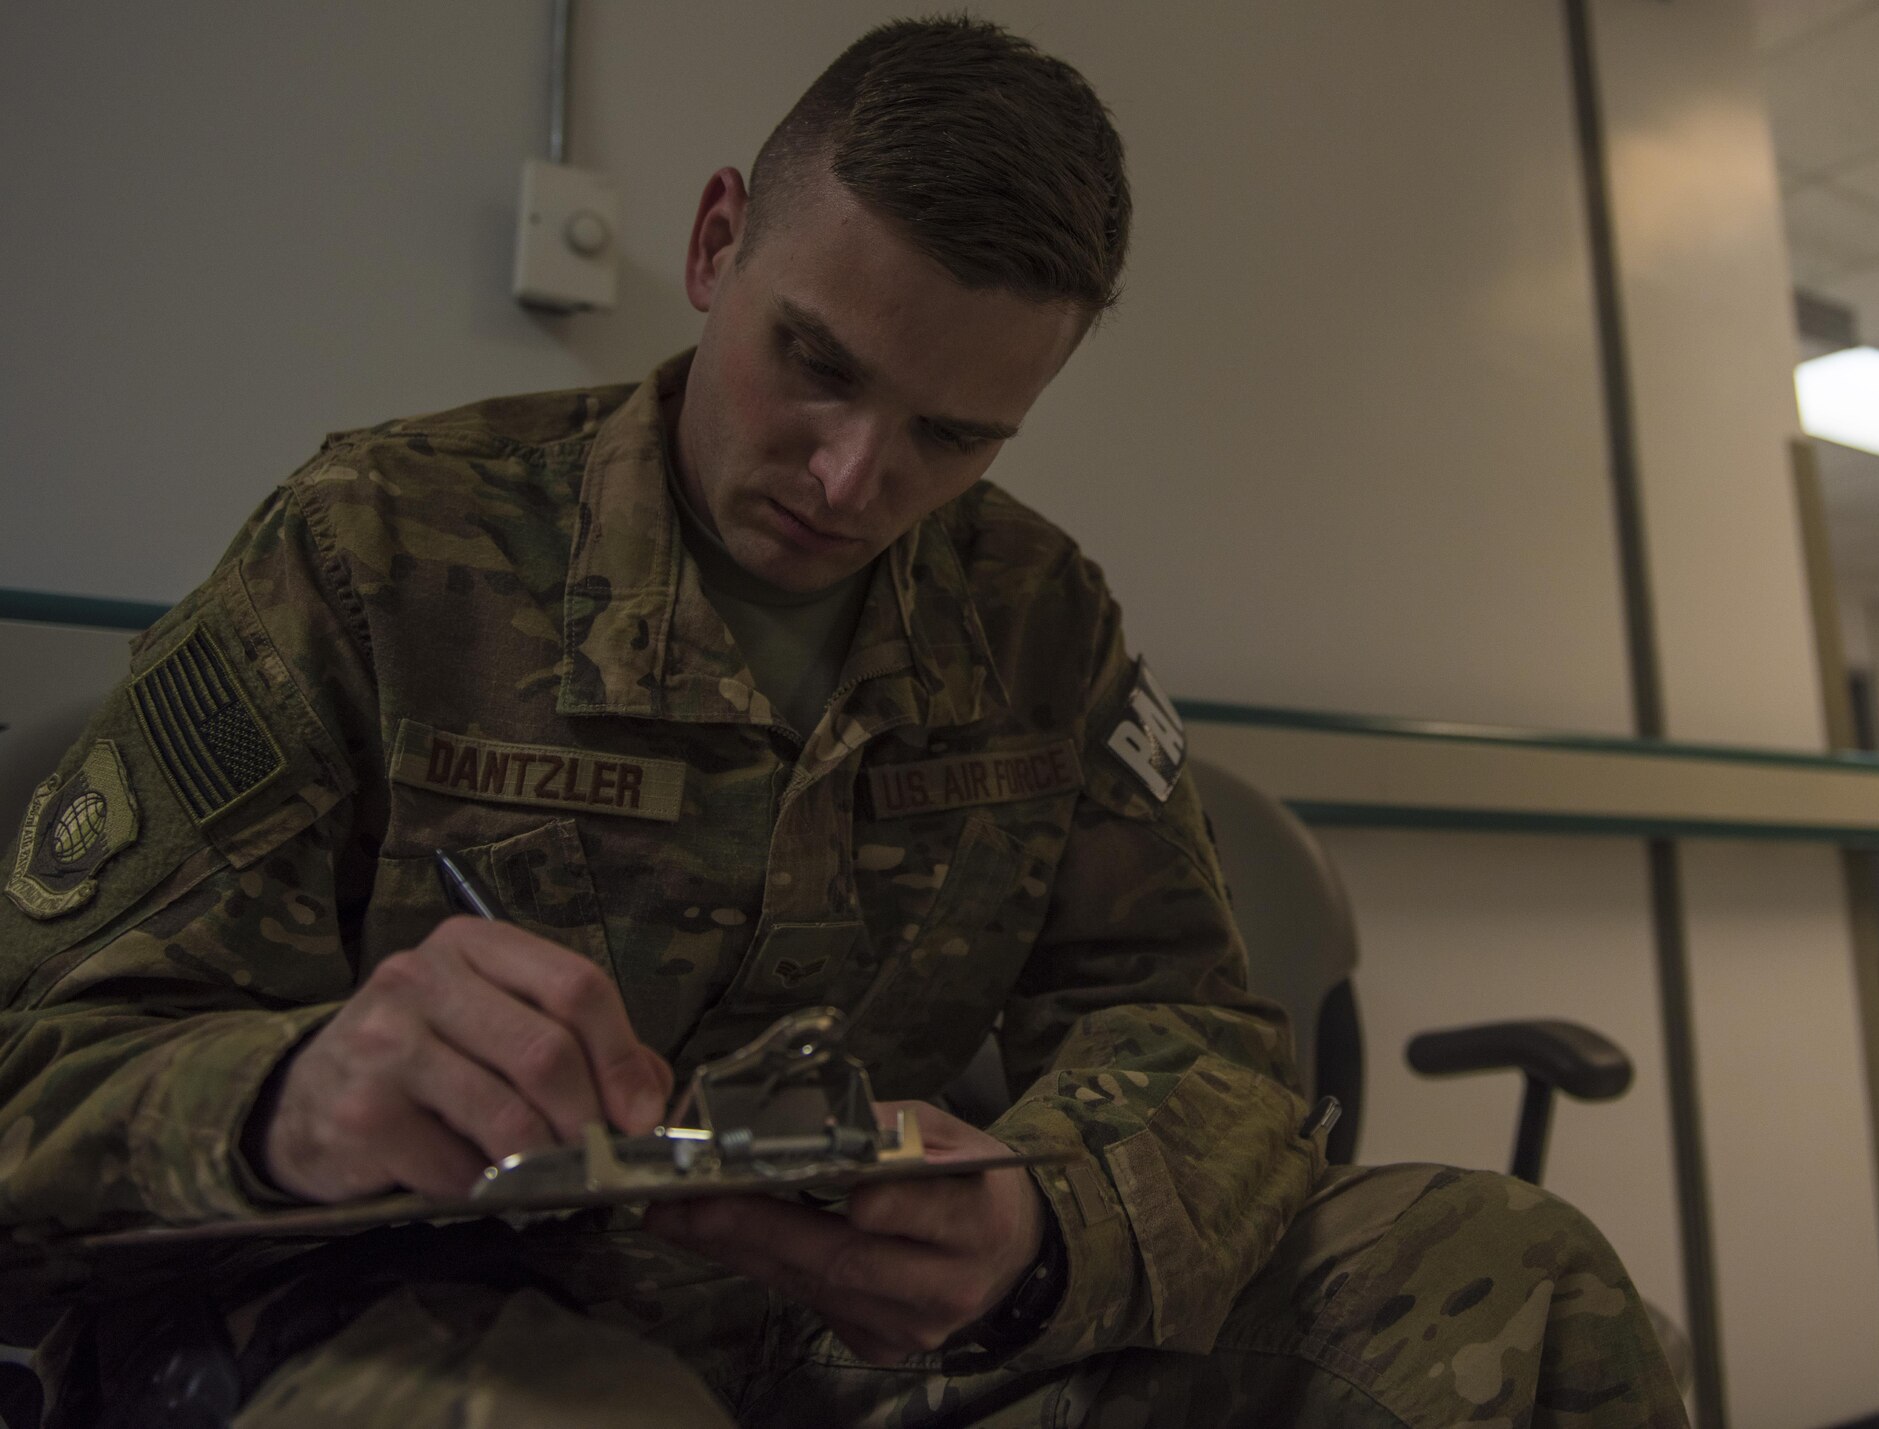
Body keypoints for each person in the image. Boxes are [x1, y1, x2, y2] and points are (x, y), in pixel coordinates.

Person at [0, 17, 1687, 1426]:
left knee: (1508, 1280)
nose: (854, 479)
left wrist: (1045, 1227)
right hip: (378, 1318)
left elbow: (1192, 1024)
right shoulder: (378, 546)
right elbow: (43, 1068)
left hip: (836, 1347)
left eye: (956, 435)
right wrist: (297, 1089)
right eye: (813, 362)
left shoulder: (1035, 621)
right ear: (718, 238)